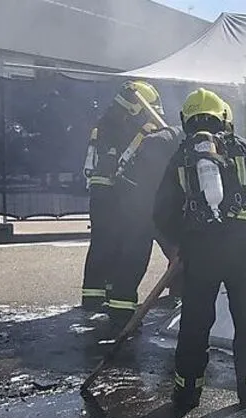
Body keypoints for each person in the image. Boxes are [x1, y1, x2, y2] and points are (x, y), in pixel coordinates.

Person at [154, 88, 246, 418]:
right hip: (240, 248)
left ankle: (186, 394)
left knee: (195, 322)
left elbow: (161, 212)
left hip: (200, 251)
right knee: (245, 318)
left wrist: (178, 242)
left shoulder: (181, 156)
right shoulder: (239, 147)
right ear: (223, 116)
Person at [81, 81, 169, 313]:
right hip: (123, 191)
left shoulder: (106, 124)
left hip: (100, 190)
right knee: (131, 244)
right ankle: (119, 304)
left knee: (104, 243)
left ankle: (94, 298)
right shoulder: (140, 128)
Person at [104, 98, 184, 327]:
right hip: (146, 202)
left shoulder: (164, 138)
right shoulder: (175, 142)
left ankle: (122, 305)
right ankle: (123, 310)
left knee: (137, 253)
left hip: (136, 199)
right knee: (145, 253)